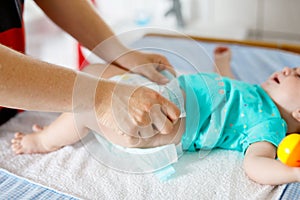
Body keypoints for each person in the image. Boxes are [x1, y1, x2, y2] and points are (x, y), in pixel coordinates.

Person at [11, 46, 300, 185]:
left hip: (165, 124)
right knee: (96, 73)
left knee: (87, 102)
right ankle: (66, 122)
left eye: (298, 75)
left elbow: (256, 165)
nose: (288, 69)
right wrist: (224, 62)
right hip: (162, 94)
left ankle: (44, 141)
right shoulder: (254, 92)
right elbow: (227, 83)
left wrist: (292, 173)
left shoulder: (270, 124)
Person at [0, 0, 180, 139]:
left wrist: (120, 53)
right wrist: (102, 97)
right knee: (88, 103)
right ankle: (44, 140)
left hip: (13, 105)